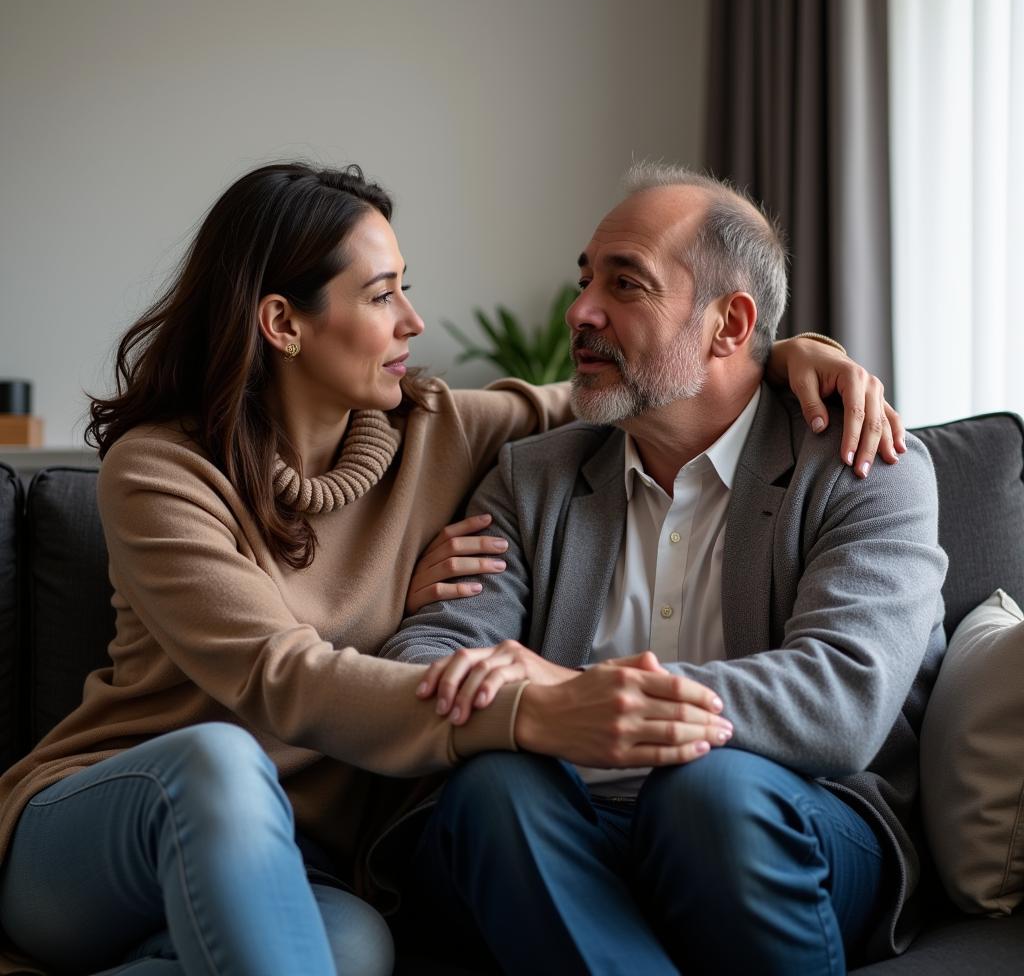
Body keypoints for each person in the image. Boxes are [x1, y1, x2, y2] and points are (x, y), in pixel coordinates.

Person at [0, 162, 901, 976]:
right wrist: (531, 704)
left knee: (355, 951)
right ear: (283, 323)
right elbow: (279, 678)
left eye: (407, 290)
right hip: (111, 825)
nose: (414, 321)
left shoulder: (444, 433)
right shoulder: (162, 471)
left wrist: (781, 357)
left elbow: (644, 384)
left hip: (298, 863)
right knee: (221, 765)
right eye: (382, 294)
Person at [383, 165, 948, 974]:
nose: (579, 310)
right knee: (491, 794)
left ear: (728, 324)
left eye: (626, 283)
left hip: (795, 817)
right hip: (570, 829)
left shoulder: (866, 466)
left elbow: (843, 700)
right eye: (585, 280)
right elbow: (425, 660)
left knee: (706, 793)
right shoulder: (531, 477)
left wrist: (592, 697)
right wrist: (551, 706)